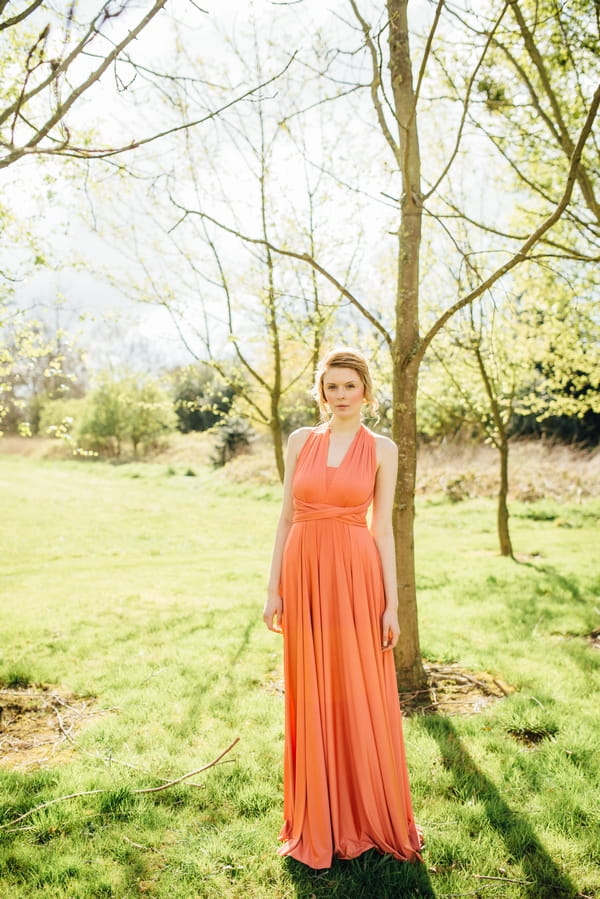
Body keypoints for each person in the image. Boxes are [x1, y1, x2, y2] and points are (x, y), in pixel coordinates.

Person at [263, 346, 423, 870]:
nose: (340, 395)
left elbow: (381, 529)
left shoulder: (382, 448)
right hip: (303, 572)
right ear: (321, 391)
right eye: (331, 387)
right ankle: (318, 817)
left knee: (357, 687)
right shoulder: (299, 441)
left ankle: (364, 812)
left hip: (355, 578)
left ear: (365, 390)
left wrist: (391, 604)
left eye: (349, 386)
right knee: (312, 685)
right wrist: (273, 588)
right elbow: (286, 517)